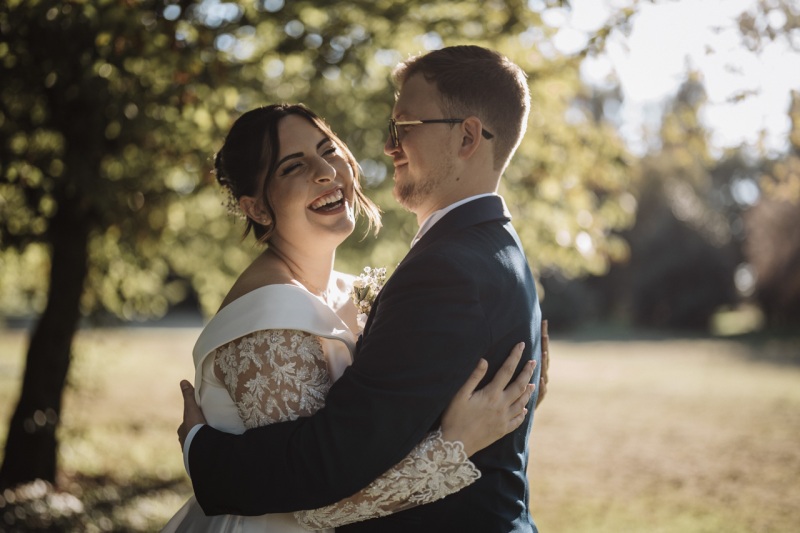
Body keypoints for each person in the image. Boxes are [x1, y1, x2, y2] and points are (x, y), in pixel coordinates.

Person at [179, 45, 544, 532]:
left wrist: (203, 452)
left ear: (467, 137)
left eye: (405, 127)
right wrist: (454, 445)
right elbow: (319, 488)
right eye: (292, 166)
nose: (389, 146)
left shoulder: (442, 271)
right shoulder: (493, 247)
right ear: (257, 208)